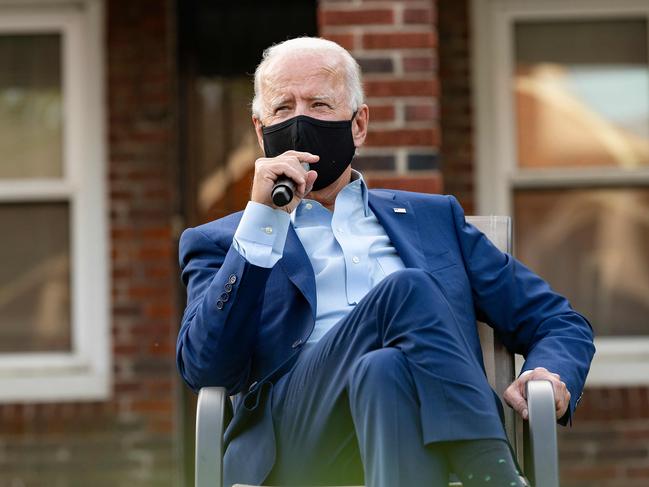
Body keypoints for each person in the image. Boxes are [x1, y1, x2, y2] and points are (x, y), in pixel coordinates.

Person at [177, 37, 595, 487]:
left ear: (358, 124)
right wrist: (261, 224)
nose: (300, 120)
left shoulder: (435, 221)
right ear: (261, 131)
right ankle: (494, 473)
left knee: (382, 370)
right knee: (405, 290)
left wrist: (550, 374)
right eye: (283, 108)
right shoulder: (222, 241)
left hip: (414, 430)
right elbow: (206, 367)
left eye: (319, 104)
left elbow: (557, 320)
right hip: (299, 441)